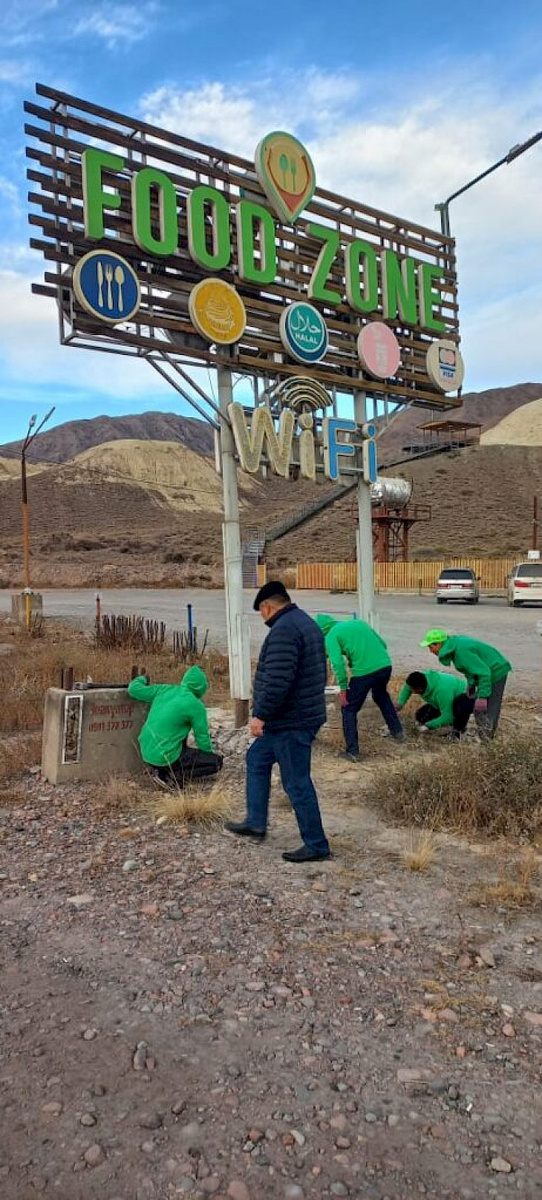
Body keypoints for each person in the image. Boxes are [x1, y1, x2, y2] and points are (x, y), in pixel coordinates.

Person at [225, 581, 330, 863]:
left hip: (291, 721)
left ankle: (317, 844)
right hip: (294, 716)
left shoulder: (284, 630)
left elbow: (277, 680)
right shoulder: (305, 623)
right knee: (257, 759)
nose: (262, 617)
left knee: (296, 782)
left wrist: (260, 715)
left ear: (267, 607)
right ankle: (255, 822)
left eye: (261, 612)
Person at [315, 614, 404, 761]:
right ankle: (398, 732)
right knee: (381, 696)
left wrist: (343, 687)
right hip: (385, 665)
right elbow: (382, 644)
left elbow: (337, 663)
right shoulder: (359, 623)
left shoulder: (331, 635)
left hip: (364, 673)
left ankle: (352, 752)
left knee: (348, 709)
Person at [128, 665, 223, 786]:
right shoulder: (196, 705)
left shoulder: (164, 689)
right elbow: (202, 738)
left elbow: (133, 689)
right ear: (201, 687)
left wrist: (143, 679)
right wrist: (207, 757)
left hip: (146, 751)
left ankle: (158, 769)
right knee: (216, 762)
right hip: (165, 757)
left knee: (179, 734)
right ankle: (172, 776)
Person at [420, 629, 512, 740]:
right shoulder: (453, 647)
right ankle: (484, 735)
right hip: (488, 671)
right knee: (479, 710)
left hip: (496, 670)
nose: (430, 651)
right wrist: (471, 684)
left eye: (431, 647)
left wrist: (482, 696)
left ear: (439, 644)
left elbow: (484, 673)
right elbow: (470, 669)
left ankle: (486, 739)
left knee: (488, 709)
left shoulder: (461, 652)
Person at [396, 669, 471, 738]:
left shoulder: (441, 691)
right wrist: (400, 703)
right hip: (443, 701)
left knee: (460, 707)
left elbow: (448, 716)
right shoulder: (420, 679)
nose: (411, 691)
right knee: (420, 716)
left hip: (465, 698)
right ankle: (447, 723)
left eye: (412, 689)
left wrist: (428, 726)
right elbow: (407, 688)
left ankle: (458, 729)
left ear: (420, 689)